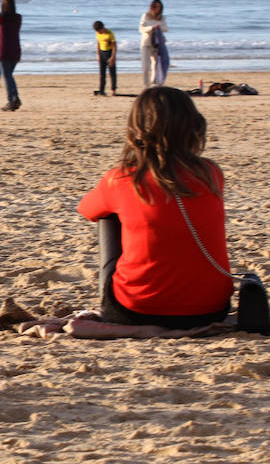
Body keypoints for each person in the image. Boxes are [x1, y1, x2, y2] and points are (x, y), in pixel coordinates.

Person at [77, 86, 232, 328]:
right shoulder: (210, 173)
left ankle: (115, 296)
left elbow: (86, 209)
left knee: (107, 216)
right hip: (212, 308)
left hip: (138, 309)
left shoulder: (121, 179)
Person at [0, 0, 22, 111]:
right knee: (9, 76)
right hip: (15, 49)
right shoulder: (18, 17)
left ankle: (12, 99)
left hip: (2, 49)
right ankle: (14, 98)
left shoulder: (0, 17)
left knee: (7, 76)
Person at [138, 0, 168, 88]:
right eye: (156, 7)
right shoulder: (146, 16)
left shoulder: (162, 17)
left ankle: (155, 83)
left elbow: (166, 28)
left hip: (158, 43)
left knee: (156, 64)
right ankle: (146, 85)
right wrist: (151, 28)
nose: (157, 9)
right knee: (146, 65)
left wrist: (159, 28)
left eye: (159, 7)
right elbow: (141, 28)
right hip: (147, 43)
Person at [92, 20, 117, 96]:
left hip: (109, 53)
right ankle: (101, 90)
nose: (98, 32)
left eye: (99, 30)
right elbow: (98, 44)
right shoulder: (98, 33)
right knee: (102, 74)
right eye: (97, 31)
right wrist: (98, 55)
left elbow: (114, 47)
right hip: (102, 53)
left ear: (102, 28)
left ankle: (113, 90)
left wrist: (112, 57)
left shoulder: (110, 33)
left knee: (112, 73)